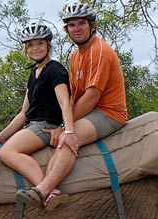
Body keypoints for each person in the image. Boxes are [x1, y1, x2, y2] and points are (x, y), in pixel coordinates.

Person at [16, 3, 128, 207]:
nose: (76, 28)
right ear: (66, 30)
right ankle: (51, 192)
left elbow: (92, 97)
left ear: (91, 26)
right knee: (61, 140)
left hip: (108, 113)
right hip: (90, 112)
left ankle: (42, 190)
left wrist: (64, 129)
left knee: (68, 141)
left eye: (81, 23)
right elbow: (75, 96)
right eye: (71, 25)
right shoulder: (76, 55)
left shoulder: (99, 51)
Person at [0, 22, 75, 206]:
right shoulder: (34, 72)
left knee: (8, 152)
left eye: (39, 43)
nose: (35, 48)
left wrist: (68, 132)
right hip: (32, 125)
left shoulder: (55, 70)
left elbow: (65, 102)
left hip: (46, 126)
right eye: (30, 45)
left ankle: (47, 189)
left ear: (48, 44)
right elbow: (24, 113)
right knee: (3, 145)